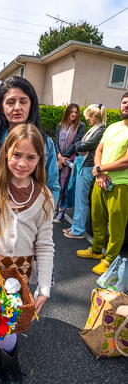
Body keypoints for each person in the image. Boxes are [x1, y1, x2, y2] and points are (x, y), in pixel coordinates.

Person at [0, 123, 55, 384]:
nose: (22, 163)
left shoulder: (44, 197)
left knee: (10, 320)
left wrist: (44, 288)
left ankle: (9, 361)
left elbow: (46, 245)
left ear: (39, 159)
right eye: (16, 155)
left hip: (21, 271)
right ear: (6, 153)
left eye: (31, 157)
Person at [0, 76, 59, 207]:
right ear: (1, 106)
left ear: (31, 105)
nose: (17, 107)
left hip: (31, 219)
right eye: (11, 102)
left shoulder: (46, 143)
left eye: (23, 101)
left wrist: (45, 216)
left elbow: (52, 186)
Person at [77, 93, 128, 275]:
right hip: (101, 179)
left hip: (121, 183)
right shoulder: (113, 127)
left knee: (116, 225)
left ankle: (110, 260)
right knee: (97, 217)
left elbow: (127, 161)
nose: (126, 105)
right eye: (124, 102)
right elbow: (99, 148)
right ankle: (96, 251)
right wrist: (100, 172)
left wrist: (101, 169)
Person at [64, 104, 106, 239]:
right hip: (84, 165)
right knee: (79, 198)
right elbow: (80, 145)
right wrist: (79, 146)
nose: (87, 121)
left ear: (94, 117)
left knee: (81, 199)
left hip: (87, 166)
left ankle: (78, 230)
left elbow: (83, 145)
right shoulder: (96, 129)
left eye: (88, 118)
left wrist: (79, 146)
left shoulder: (100, 130)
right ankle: (76, 226)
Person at [54, 103, 86, 222]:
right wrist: (59, 156)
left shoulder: (81, 126)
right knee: (56, 183)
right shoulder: (61, 125)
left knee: (66, 185)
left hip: (70, 160)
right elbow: (56, 140)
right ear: (67, 112)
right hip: (60, 158)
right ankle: (55, 208)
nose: (73, 114)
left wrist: (64, 158)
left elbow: (76, 143)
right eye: (71, 112)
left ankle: (63, 210)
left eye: (76, 112)